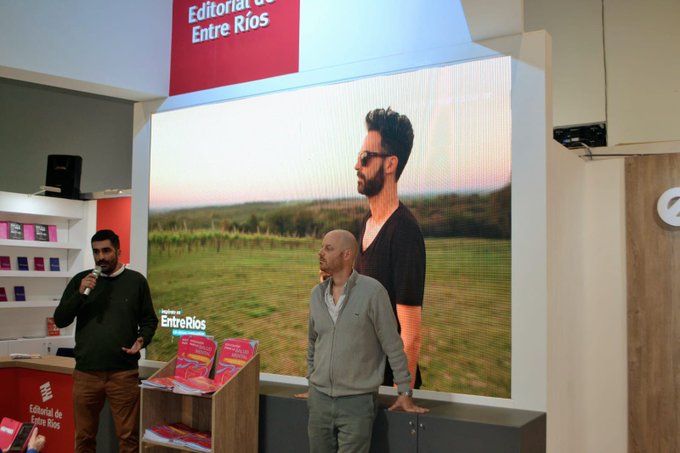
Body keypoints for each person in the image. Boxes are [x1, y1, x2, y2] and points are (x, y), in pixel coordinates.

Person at [306, 229, 428, 453]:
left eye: (328, 248)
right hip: (319, 403)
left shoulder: (373, 292)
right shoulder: (316, 295)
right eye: (322, 247)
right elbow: (313, 343)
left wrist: (404, 392)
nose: (320, 253)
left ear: (347, 255)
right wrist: (312, 382)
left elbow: (393, 345)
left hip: (357, 405)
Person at [53, 229, 159, 453]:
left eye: (106, 251)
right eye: (96, 252)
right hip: (86, 374)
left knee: (128, 438)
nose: (101, 257)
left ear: (118, 251)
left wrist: (142, 340)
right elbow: (61, 319)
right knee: (84, 437)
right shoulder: (80, 281)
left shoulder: (136, 281)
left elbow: (149, 320)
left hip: (123, 373)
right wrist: (80, 293)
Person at [354, 107, 426, 390]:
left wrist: (401, 399)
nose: (357, 165)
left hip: (388, 392)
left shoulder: (404, 232)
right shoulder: (366, 223)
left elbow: (410, 336)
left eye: (365, 157)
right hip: (363, 387)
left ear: (390, 164)